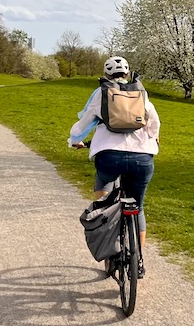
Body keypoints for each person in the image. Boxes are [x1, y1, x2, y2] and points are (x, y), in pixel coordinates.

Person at [68, 56, 160, 277]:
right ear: (127, 74)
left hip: (109, 156)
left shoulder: (102, 93)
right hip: (142, 158)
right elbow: (154, 122)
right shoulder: (140, 93)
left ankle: (109, 246)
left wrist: (74, 140)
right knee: (137, 206)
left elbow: (84, 123)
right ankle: (137, 260)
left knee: (104, 197)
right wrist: (153, 139)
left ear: (107, 75)